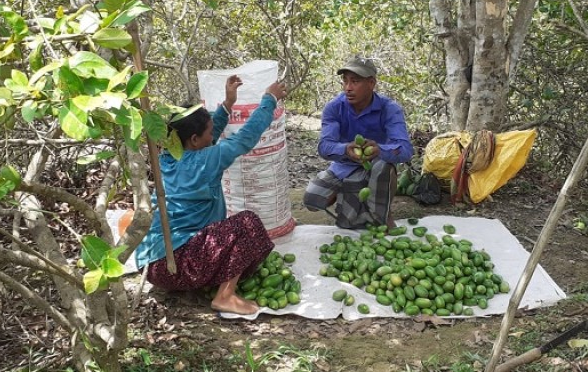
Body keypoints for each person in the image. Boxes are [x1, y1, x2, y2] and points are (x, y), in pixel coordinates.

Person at [133, 75, 287, 315]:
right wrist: (269, 100)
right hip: (179, 265)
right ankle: (224, 295)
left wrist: (227, 104)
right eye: (207, 134)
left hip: (153, 268)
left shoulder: (167, 157)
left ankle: (206, 283)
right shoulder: (205, 161)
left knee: (232, 233)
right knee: (247, 224)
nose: (212, 137)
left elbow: (206, 135)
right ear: (194, 140)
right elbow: (245, 138)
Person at [303, 56, 413, 230]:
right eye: (345, 81)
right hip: (343, 166)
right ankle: (348, 200)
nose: (348, 88)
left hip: (376, 168)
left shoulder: (389, 109)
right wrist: (346, 149)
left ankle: (382, 216)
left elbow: (405, 149)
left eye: (355, 82)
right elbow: (324, 146)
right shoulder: (334, 107)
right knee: (312, 200)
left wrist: (380, 150)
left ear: (371, 83)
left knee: (383, 166)